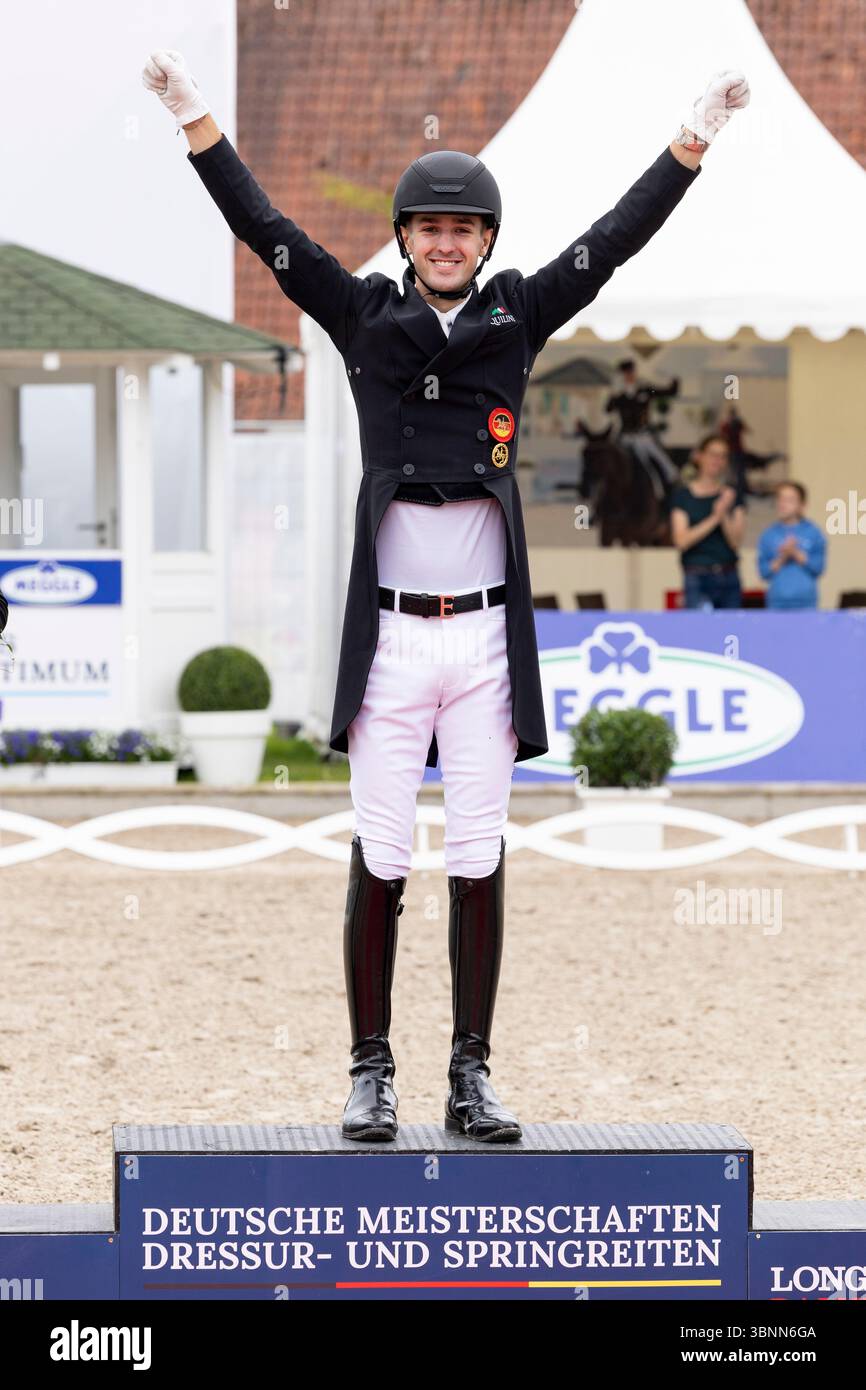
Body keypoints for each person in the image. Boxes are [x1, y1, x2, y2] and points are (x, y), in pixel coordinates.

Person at [143, 51, 750, 1142]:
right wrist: (195, 121)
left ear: (484, 243)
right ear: (404, 235)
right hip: (388, 640)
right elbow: (266, 231)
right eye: (426, 226)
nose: (443, 241)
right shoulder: (361, 315)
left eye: (462, 229)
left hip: (478, 641)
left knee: (475, 853)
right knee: (381, 851)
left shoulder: (517, 318)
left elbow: (610, 243)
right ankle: (368, 1067)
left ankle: (469, 1071)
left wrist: (688, 143)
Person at [670, 434, 746, 608]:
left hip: (729, 574)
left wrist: (725, 513)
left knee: (730, 632)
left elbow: (735, 542)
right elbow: (681, 540)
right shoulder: (683, 496)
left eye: (723, 456)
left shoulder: (732, 496)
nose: (717, 461)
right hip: (697, 576)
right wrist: (715, 517)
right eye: (713, 454)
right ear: (699, 456)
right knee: (699, 632)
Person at [605, 358, 680, 500]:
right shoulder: (619, 395)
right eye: (625, 373)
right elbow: (608, 409)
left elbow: (669, 392)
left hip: (643, 435)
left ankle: (665, 490)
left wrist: (672, 377)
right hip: (625, 437)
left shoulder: (645, 389)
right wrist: (613, 394)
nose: (629, 376)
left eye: (630, 372)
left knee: (663, 462)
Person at [757, 481, 826, 609]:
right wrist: (783, 556)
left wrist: (795, 553)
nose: (783, 504)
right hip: (777, 602)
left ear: (802, 505)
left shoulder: (813, 532)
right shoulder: (769, 534)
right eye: (780, 498)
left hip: (806, 602)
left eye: (789, 500)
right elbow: (764, 572)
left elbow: (818, 568)